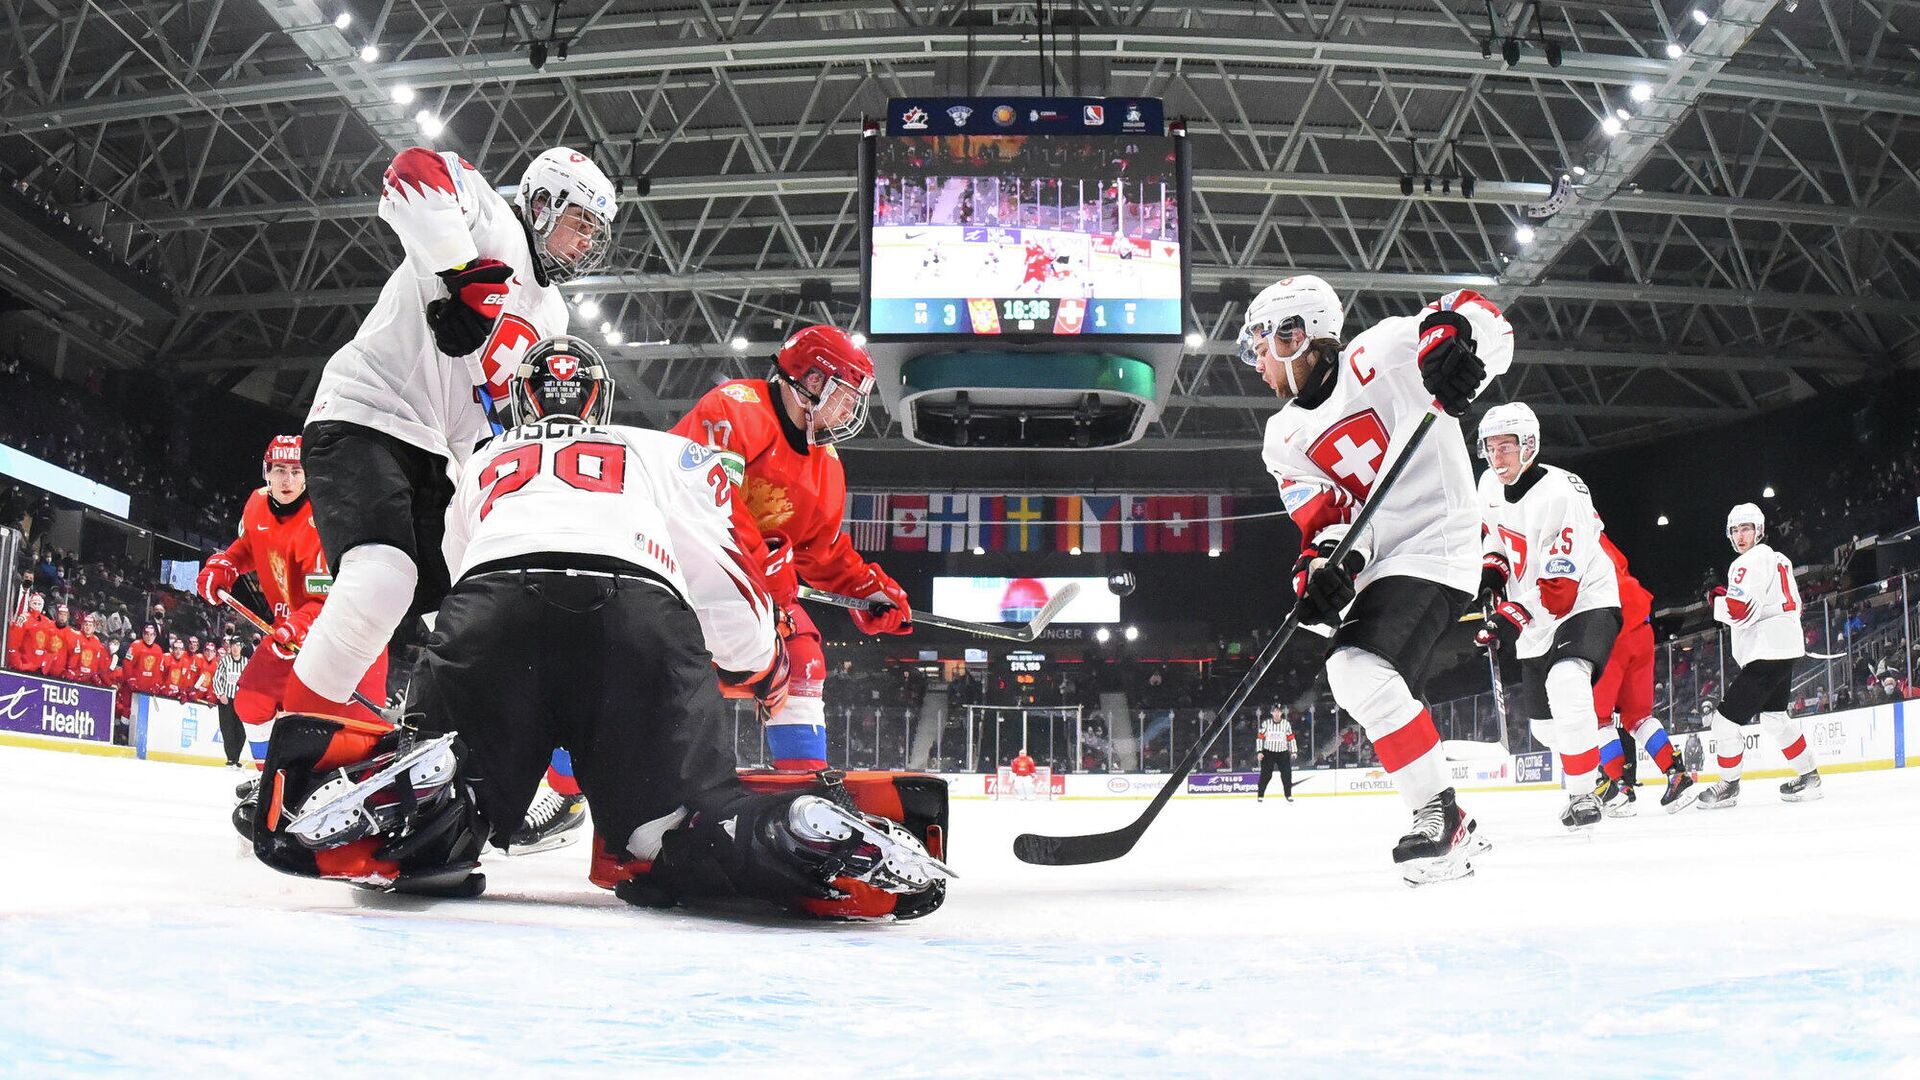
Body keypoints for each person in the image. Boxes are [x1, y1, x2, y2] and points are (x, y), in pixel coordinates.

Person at [243, 336, 950, 918]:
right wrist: (756, 659)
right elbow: (718, 558)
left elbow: (457, 575)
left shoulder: (484, 459)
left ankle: (441, 796)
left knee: (470, 804)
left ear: (521, 401)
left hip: (494, 603)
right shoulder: (663, 450)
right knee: (668, 832)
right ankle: (770, 832)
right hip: (635, 611)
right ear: (603, 403)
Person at [283, 144, 615, 725]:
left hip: (440, 458)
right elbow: (412, 169)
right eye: (579, 224)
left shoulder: (553, 314)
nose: (586, 244)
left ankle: (432, 748)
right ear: (540, 203)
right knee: (383, 580)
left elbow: (496, 413)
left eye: (595, 233)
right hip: (366, 414)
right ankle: (296, 750)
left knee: (469, 618)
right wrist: (461, 273)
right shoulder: (491, 218)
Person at [1242, 274, 1511, 884]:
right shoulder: (1281, 437)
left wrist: (1458, 345)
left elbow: (1482, 318)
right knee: (1354, 673)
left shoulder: (1386, 351)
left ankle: (1440, 815)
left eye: (1261, 343)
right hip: (1385, 561)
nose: (1254, 360)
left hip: (1440, 540)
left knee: (1356, 668)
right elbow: (1326, 521)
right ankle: (1446, 819)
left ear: (1297, 336)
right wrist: (1322, 572)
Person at [668, 325, 912, 769]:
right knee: (637, 671)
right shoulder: (734, 409)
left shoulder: (827, 466)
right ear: (812, 382)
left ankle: (803, 789)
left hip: (745, 585)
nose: (852, 408)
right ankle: (567, 789)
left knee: (803, 657)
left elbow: (822, 551)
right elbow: (705, 501)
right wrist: (761, 567)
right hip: (669, 569)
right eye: (845, 393)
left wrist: (866, 590)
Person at [1477, 403, 1663, 829]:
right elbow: (1497, 538)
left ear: (1529, 445)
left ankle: (1583, 795)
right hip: (1534, 612)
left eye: (1506, 446)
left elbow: (1560, 594)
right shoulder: (1488, 485)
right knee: (1544, 728)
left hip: (1587, 601)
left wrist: (1508, 616)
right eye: (1490, 448)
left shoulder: (1564, 494)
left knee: (1567, 681)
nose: (1497, 457)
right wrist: (1492, 571)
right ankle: (1600, 771)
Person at [195, 435, 387, 764]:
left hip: (345, 634)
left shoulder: (322, 520)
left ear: (308, 475)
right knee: (252, 700)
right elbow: (250, 546)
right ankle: (269, 782)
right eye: (280, 470)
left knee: (353, 732)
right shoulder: (256, 503)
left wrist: (295, 628)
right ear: (266, 473)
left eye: (297, 471)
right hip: (292, 634)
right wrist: (225, 565)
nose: (288, 480)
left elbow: (326, 598)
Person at [1697, 504, 1822, 808]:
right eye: (1735, 530)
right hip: (1786, 645)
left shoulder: (1749, 560)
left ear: (1759, 530)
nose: (1740, 536)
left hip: (1766, 650)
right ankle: (1810, 777)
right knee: (1775, 718)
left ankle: (1728, 786)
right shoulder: (1778, 559)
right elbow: (1796, 606)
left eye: (1746, 529)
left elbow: (1739, 612)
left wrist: (1716, 599)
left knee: (1725, 723)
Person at [212, 638, 248, 768]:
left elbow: (249, 682)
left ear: (241, 647)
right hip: (226, 700)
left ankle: (236, 757)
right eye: (233, 645)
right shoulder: (225, 661)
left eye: (238, 645)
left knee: (241, 730)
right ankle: (231, 758)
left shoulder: (246, 662)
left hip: (240, 701)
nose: (235, 648)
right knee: (227, 729)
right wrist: (220, 694)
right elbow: (216, 678)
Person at [1256, 705, 1296, 803]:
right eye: (1275, 711)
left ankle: (1288, 795)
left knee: (1287, 774)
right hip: (1268, 752)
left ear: (1281, 713)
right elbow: (1260, 738)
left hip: (1283, 753)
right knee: (1266, 775)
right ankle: (1260, 795)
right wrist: (1259, 751)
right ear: (1271, 713)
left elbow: (1291, 738)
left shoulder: (1286, 724)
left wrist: (1294, 751)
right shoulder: (1266, 723)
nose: (1277, 713)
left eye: (1278, 711)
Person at [7, 592, 54, 673]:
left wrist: (45, 665)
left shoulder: (47, 622)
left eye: (39, 603)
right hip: (25, 667)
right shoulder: (23, 618)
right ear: (29, 604)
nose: (37, 606)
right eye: (34, 603)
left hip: (40, 669)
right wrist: (18, 664)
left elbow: (50, 647)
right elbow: (13, 643)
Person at [66, 614, 114, 687]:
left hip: (88, 678)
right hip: (74, 675)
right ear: (82, 626)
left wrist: (94, 675)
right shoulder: (76, 636)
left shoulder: (96, 641)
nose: (88, 627)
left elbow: (96, 662)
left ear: (94, 628)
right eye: (86, 625)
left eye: (90, 625)